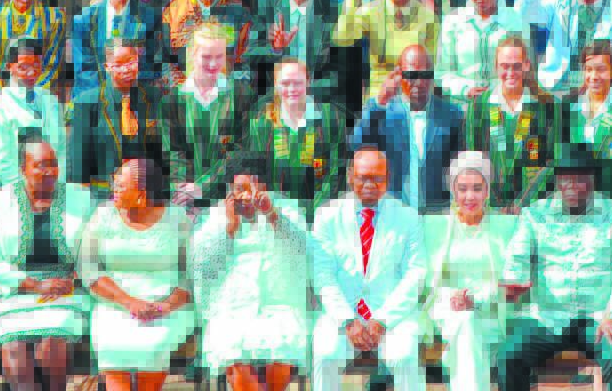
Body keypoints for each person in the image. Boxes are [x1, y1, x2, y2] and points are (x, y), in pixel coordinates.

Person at [497, 147, 612, 391]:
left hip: (598, 317)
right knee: (509, 356)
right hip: (546, 317)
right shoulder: (535, 215)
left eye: (580, 178)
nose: (573, 185)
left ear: (593, 180)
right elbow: (517, 257)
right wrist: (513, 280)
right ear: (557, 180)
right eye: (566, 178)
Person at [0, 135, 94, 391]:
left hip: (65, 291)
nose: (50, 171)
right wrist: (33, 285)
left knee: (51, 343)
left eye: (53, 163)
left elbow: (95, 250)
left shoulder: (80, 198)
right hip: (16, 291)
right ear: (23, 168)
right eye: (41, 165)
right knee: (14, 347)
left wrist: (74, 279)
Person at [189, 158, 312, 391]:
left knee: (282, 352)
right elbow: (201, 264)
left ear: (265, 187)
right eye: (240, 189)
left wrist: (272, 215)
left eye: (252, 188)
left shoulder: (285, 209)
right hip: (229, 308)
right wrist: (229, 227)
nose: (246, 196)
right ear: (230, 190)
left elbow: (302, 250)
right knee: (233, 353)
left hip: (280, 306)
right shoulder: (216, 215)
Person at [309, 147, 427, 391]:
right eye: (363, 177)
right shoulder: (326, 215)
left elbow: (415, 275)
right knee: (326, 354)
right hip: (342, 313)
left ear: (388, 178)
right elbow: (322, 275)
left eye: (377, 178)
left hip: (391, 314)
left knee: (405, 356)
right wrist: (347, 320)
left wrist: (382, 319)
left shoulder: (408, 218)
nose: (370, 184)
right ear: (350, 176)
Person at [78, 157, 196, 391]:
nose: (114, 190)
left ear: (141, 195)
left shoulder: (177, 220)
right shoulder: (103, 215)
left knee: (153, 347)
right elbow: (88, 268)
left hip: (166, 307)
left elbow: (191, 273)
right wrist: (129, 302)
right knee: (112, 345)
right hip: (114, 305)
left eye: (121, 186)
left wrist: (165, 306)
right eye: (115, 183)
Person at [419, 152, 516, 391]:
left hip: (492, 311)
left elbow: (511, 280)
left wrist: (475, 299)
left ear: (487, 191)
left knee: (468, 326)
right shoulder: (434, 225)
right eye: (462, 189)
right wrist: (455, 299)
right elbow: (426, 281)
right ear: (453, 190)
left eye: (477, 188)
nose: (469, 196)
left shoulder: (505, 226)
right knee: (465, 322)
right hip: (446, 310)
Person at [349, 46, 467, 212]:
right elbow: (357, 145)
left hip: (437, 212)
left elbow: (461, 166)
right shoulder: (383, 111)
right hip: (393, 211)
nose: (419, 82)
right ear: (399, 75)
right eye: (411, 75)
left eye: (425, 75)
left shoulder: (451, 114)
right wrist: (380, 102)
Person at [162, 23, 250, 211]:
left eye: (219, 56)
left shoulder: (241, 95)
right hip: (184, 200)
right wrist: (183, 190)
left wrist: (204, 187)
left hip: (227, 198)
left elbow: (239, 151)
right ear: (193, 55)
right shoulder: (173, 100)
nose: (213, 64)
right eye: (206, 57)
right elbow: (173, 153)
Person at [330, 0, 439, 101]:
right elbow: (341, 39)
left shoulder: (428, 18)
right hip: (379, 99)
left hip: (414, 99)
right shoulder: (371, 11)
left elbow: (434, 68)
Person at [464, 36, 554, 210]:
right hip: (490, 208)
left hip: (532, 208)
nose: (511, 73)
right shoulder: (479, 107)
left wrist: (522, 204)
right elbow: (474, 161)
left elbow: (550, 164)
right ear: (496, 67)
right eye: (505, 66)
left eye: (516, 66)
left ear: (526, 65)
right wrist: (491, 204)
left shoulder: (545, 108)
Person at [247, 59, 348, 214]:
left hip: (322, 211)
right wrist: (274, 211)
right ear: (276, 85)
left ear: (308, 82)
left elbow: (336, 171)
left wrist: (317, 212)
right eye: (285, 83)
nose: (292, 89)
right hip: (276, 212)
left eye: (298, 83)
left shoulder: (332, 118)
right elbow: (258, 172)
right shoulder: (262, 122)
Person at [66, 40, 167, 191]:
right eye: (118, 65)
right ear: (107, 67)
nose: (126, 70)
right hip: (104, 192)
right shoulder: (87, 103)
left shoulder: (155, 98)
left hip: (145, 192)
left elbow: (165, 149)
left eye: (131, 62)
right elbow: (77, 162)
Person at [158, 0, 257, 87]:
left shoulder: (240, 13)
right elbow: (163, 60)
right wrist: (183, 89)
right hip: (183, 90)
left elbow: (247, 62)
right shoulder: (174, 11)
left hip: (226, 91)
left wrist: (225, 89)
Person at [560, 40, 612, 204]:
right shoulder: (569, 106)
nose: (594, 77)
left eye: (601, 69)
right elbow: (560, 160)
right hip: (573, 204)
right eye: (589, 69)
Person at [70, 0, 165, 97]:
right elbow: (84, 69)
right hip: (94, 95)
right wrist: (107, 97)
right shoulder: (83, 20)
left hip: (135, 94)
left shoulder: (149, 18)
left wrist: (127, 91)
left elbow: (152, 64)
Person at [435, 0, 530, 100]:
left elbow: (525, 69)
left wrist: (500, 92)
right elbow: (442, 73)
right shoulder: (453, 22)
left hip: (504, 101)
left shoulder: (514, 21)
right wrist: (465, 90)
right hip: (463, 104)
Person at [261, 0, 342, 105]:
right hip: (275, 96)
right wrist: (275, 49)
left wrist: (306, 91)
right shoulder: (267, 7)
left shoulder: (332, 12)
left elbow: (340, 69)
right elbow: (251, 57)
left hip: (319, 97)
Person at [0, 38, 66, 189]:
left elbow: (61, 151)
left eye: (36, 65)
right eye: (23, 67)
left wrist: (57, 186)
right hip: (16, 190)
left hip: (53, 188)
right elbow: (1, 161)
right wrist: (25, 193)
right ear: (9, 67)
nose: (31, 72)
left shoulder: (51, 101)